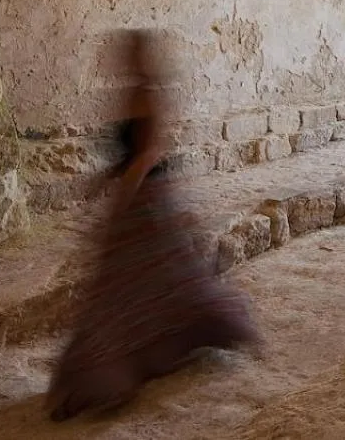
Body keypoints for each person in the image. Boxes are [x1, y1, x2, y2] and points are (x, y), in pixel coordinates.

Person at [46, 29, 258, 420]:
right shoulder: (133, 94)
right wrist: (103, 181)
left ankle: (112, 374)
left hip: (146, 201)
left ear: (142, 58)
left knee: (128, 285)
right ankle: (135, 359)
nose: (124, 60)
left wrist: (124, 195)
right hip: (140, 197)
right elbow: (131, 155)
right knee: (149, 283)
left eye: (131, 54)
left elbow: (149, 153)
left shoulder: (148, 96)